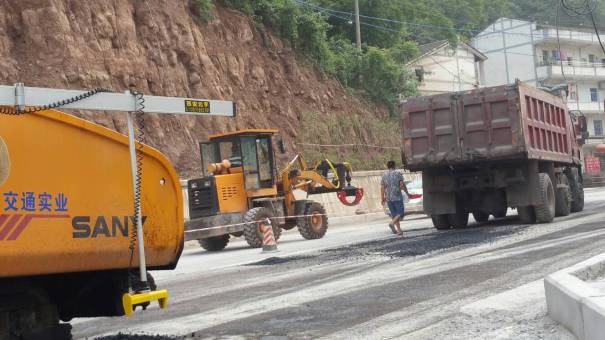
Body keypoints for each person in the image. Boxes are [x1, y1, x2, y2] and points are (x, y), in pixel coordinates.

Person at [381, 160, 410, 235]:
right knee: (400, 213)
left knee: (394, 215)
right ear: (394, 166)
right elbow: (402, 185)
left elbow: (382, 187)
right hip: (397, 196)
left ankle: (399, 230)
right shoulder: (398, 173)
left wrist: (382, 198)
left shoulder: (384, 175)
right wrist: (407, 193)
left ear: (388, 167)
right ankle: (392, 223)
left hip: (388, 198)